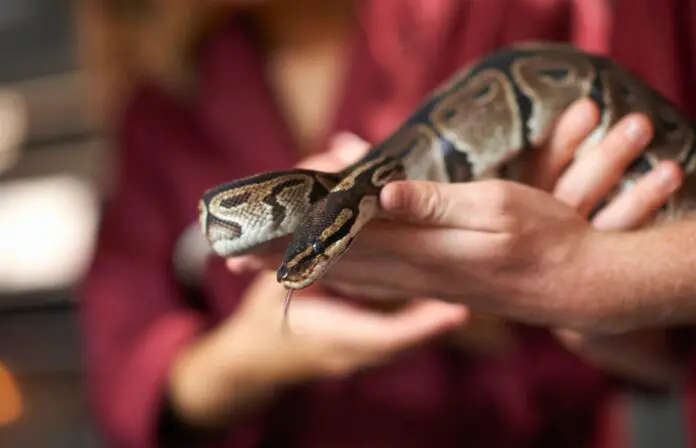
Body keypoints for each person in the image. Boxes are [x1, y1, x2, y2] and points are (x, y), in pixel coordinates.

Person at [76, 1, 689, 447]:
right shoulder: (161, 112)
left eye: (319, 253)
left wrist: (527, 299)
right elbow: (122, 366)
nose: (308, 268)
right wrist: (246, 359)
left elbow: (647, 346)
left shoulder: (490, 18)